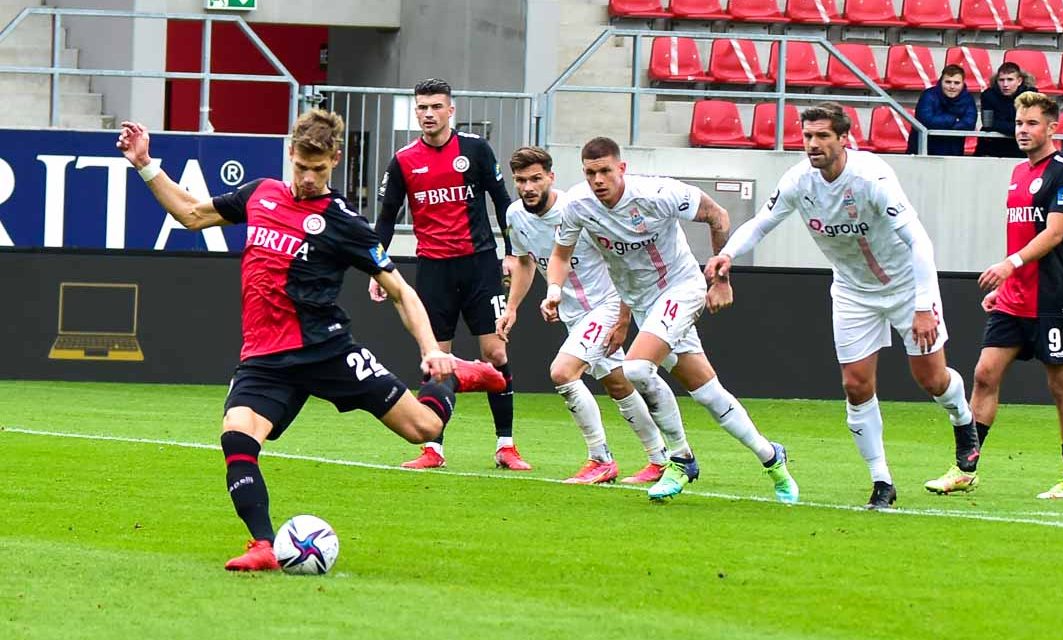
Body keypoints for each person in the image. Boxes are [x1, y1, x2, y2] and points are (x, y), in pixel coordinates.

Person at [116, 110, 507, 571]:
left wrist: (431, 351)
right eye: (301, 166)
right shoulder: (261, 194)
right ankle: (263, 545)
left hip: (327, 349)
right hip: (265, 357)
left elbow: (401, 290)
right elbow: (190, 214)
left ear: (335, 161)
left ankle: (453, 377)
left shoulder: (344, 222)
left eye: (318, 170)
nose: (306, 178)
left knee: (425, 430)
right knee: (237, 436)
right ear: (290, 154)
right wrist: (145, 164)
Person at [705, 102, 980, 510]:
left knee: (931, 379)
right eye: (807, 136)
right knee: (855, 385)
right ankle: (881, 480)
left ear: (843, 138)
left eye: (821, 136)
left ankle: (962, 419)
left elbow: (920, 242)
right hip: (853, 292)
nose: (812, 144)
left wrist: (923, 306)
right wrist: (728, 253)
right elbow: (762, 222)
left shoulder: (873, 177)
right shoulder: (799, 181)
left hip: (907, 288)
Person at [544, 137, 799, 503]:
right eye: (590, 173)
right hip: (644, 304)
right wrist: (554, 289)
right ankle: (772, 457)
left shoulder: (657, 193)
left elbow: (719, 216)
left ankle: (680, 459)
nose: (598, 180)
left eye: (604, 171)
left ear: (622, 168)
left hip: (682, 288)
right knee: (709, 394)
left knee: (634, 369)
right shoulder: (578, 207)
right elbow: (560, 255)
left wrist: (720, 279)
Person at [371, 78, 529, 471]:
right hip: (434, 270)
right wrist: (376, 267)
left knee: (495, 353)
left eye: (436, 107)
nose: (428, 114)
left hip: (479, 265)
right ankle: (433, 448)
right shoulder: (404, 160)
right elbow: (386, 219)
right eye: (422, 108)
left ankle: (506, 445)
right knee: (436, 356)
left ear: (450, 110)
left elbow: (503, 202)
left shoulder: (475, 150)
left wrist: (511, 254)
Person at [495, 146, 670, 485]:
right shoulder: (515, 215)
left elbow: (621, 262)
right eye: (521, 181)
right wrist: (512, 307)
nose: (528, 187)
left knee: (562, 372)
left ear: (551, 177)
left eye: (535, 179)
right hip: (573, 314)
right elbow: (526, 262)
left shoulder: (577, 210)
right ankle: (660, 458)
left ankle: (600, 459)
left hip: (604, 305)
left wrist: (622, 317)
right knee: (618, 383)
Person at [972, 91, 1063, 499]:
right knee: (984, 374)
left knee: (1062, 388)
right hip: (1014, 296)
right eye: (1019, 123)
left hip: (1054, 297)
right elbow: (1023, 233)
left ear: (1053, 127)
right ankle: (965, 466)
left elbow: (1054, 234)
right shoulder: (1018, 172)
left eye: (1032, 123)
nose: (1023, 130)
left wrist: (1009, 265)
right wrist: (1007, 282)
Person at [907, 64, 978, 156]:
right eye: (948, 82)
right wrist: (953, 120)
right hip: (924, 151)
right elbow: (925, 121)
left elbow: (969, 124)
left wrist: (940, 123)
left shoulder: (968, 98)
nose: (952, 86)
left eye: (957, 83)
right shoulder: (928, 95)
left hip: (953, 152)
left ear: (963, 83)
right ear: (941, 81)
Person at [976, 62, 1036, 158]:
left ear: (1019, 81)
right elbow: (988, 124)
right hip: (992, 147)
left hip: (1020, 149)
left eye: (1010, 80)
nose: (1005, 84)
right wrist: (1017, 126)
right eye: (1001, 80)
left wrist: (1000, 125)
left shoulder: (1031, 95)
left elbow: (1029, 125)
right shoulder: (988, 95)